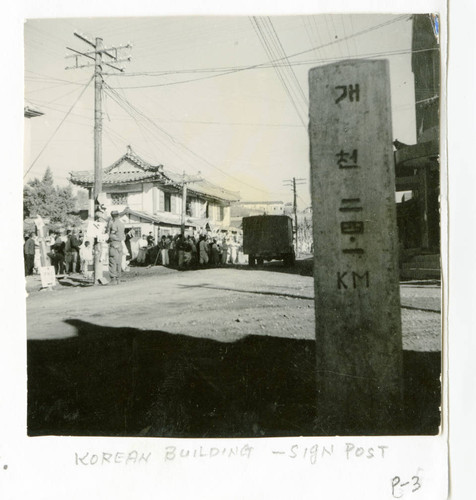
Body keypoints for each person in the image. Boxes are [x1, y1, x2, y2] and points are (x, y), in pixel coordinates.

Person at [106, 210, 125, 285]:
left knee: (112, 262)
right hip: (120, 244)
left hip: (113, 244)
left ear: (112, 216)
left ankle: (113, 279)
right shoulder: (121, 224)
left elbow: (112, 235)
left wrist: (108, 239)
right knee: (119, 262)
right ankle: (118, 279)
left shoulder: (113, 224)